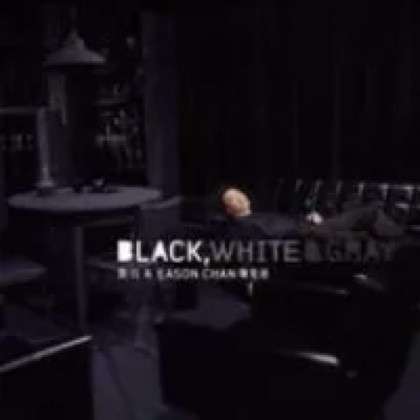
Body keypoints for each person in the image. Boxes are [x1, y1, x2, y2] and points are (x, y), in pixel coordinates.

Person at [219, 186, 404, 240]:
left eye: (240, 194)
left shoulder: (262, 214)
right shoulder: (241, 225)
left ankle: (396, 238)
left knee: (366, 219)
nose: (240, 197)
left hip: (308, 226)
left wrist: (307, 217)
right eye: (232, 198)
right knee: (369, 214)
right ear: (228, 209)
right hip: (301, 235)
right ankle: (400, 239)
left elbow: (288, 220)